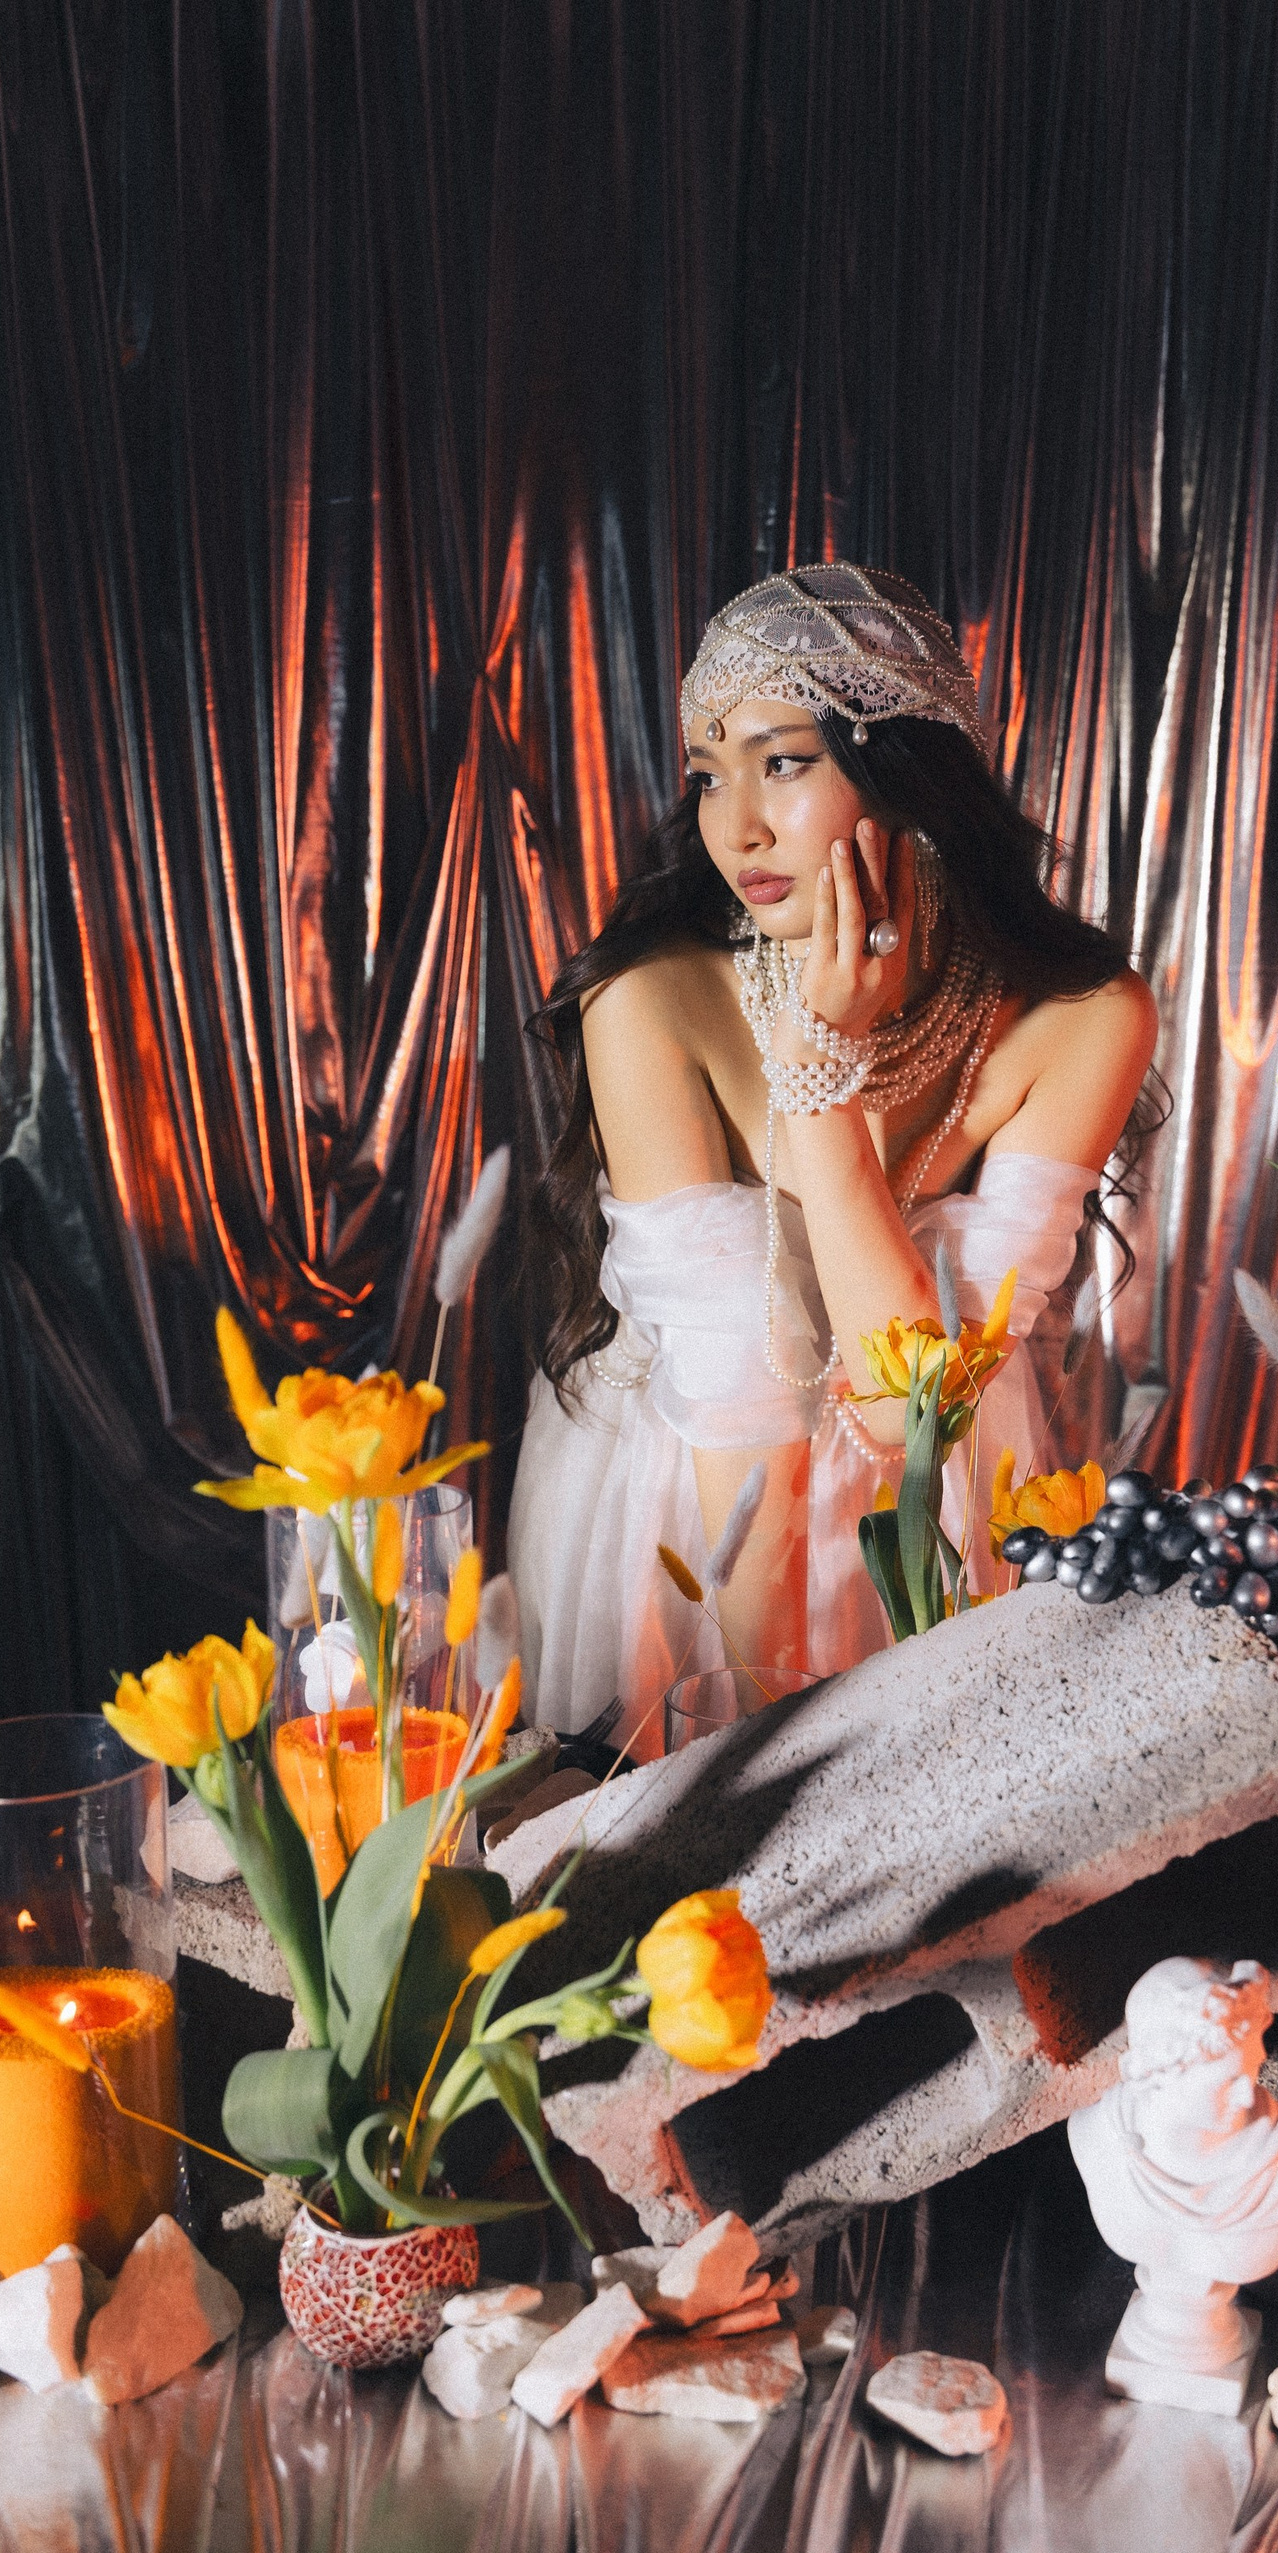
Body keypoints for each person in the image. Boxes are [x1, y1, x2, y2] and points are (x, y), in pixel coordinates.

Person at [509, 564, 1159, 1741]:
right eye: (710, 774)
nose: (737, 828)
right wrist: (764, 1743)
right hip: (702, 1514)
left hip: (936, 1507)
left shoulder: (1083, 1017)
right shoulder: (651, 1004)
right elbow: (741, 1425)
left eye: (784, 762)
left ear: (910, 774)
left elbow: (916, 1415)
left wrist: (820, 1081)